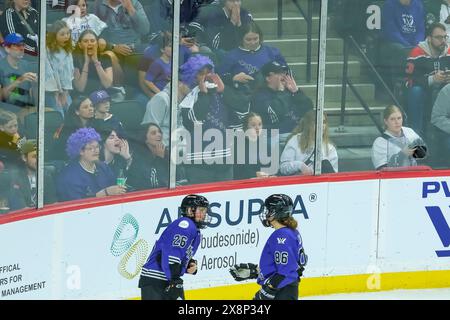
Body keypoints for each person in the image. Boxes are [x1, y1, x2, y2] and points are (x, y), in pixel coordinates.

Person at [229, 194, 307, 300]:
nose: (266, 213)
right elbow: (296, 266)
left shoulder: (282, 236)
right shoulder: (291, 232)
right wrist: (257, 272)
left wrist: (269, 290)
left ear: (277, 212)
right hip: (286, 289)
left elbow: (285, 269)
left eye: (268, 210)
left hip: (281, 291)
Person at [138, 194, 210, 300]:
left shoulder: (194, 230)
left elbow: (179, 256)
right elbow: (170, 254)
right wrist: (174, 279)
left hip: (165, 278)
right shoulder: (185, 225)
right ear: (190, 210)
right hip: (156, 278)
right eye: (201, 210)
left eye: (205, 210)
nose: (204, 214)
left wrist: (188, 264)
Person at [252, 60, 313, 149]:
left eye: (284, 73)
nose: (283, 76)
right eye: (279, 73)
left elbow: (309, 110)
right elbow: (277, 113)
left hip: (297, 135)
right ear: (268, 78)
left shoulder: (290, 92)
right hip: (274, 138)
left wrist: (296, 92)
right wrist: (281, 92)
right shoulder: (260, 96)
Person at [56, 127, 126, 201]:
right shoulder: (69, 176)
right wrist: (104, 193)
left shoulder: (103, 167)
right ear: (80, 151)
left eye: (97, 147)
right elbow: (76, 206)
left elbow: (116, 187)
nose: (96, 151)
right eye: (91, 148)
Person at [405, 22, 450, 136]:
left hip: (445, 91)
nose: (443, 41)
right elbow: (408, 81)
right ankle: (416, 134)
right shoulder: (417, 53)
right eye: (439, 37)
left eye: (445, 37)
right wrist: (432, 79)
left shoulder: (449, 51)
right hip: (425, 90)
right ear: (429, 38)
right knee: (415, 91)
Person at [379, 0, 425, 89]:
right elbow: (391, 30)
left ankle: (420, 83)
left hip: (413, 44)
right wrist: (407, 46)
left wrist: (417, 44)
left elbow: (420, 29)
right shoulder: (389, 4)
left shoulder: (418, 4)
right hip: (394, 43)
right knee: (401, 50)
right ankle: (399, 86)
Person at [280, 110, 338, 176]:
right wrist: (299, 165)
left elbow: (333, 176)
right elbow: (283, 168)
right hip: (297, 183)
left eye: (324, 122)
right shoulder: (295, 140)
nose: (321, 125)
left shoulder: (330, 148)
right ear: (308, 124)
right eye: (317, 122)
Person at [372, 105, 426, 170]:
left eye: (399, 118)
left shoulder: (409, 132)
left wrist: (418, 150)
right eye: (392, 119)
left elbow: (424, 154)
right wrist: (402, 154)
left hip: (414, 176)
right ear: (386, 121)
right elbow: (381, 169)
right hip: (394, 179)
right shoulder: (379, 142)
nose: (397, 122)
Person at [8, 139, 57, 210]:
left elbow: (52, 203)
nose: (39, 159)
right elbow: (21, 209)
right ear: (24, 158)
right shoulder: (15, 178)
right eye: (34, 156)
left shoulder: (46, 176)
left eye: (40, 156)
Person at [0, 33, 37, 113]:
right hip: (7, 111)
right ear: (7, 48)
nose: (21, 48)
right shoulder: (1, 67)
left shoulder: (26, 64)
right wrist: (19, 80)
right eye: (16, 45)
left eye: (22, 45)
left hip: (26, 108)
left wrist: (36, 83)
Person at [45, 20, 75, 116]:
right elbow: (49, 72)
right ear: (54, 36)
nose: (66, 36)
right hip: (51, 91)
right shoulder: (47, 50)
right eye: (62, 34)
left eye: (67, 33)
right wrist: (56, 93)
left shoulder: (68, 50)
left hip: (65, 90)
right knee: (59, 115)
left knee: (72, 114)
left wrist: (65, 93)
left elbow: (69, 73)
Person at [73, 29, 114, 94]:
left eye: (92, 41)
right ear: (80, 45)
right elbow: (80, 88)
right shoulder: (76, 59)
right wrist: (86, 63)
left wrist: (96, 62)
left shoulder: (106, 58)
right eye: (85, 41)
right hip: (83, 97)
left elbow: (108, 85)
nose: (89, 43)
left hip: (102, 96)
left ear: (97, 44)